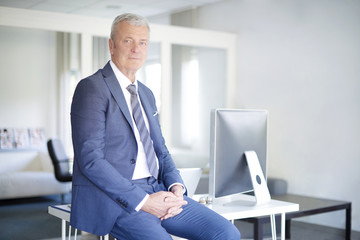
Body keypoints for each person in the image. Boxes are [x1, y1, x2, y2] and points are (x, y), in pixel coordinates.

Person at [70, 13, 241, 240]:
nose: (136, 49)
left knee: (226, 233)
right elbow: (90, 160)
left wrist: (176, 187)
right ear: (111, 46)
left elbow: (160, 149)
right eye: (128, 41)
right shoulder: (92, 88)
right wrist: (144, 201)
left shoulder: (147, 94)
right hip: (117, 199)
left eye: (143, 43)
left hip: (158, 189)